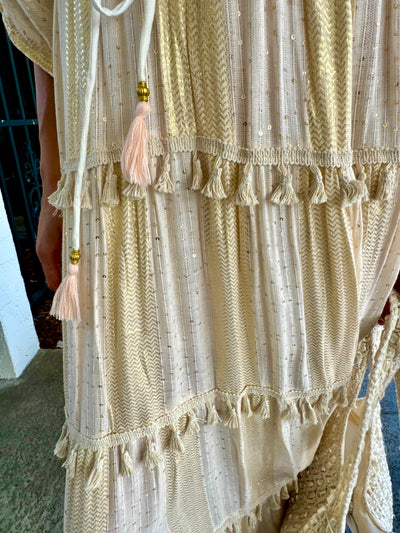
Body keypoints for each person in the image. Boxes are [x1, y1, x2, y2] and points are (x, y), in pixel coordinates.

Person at [1, 1, 400, 532]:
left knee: (306, 405)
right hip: (127, 123)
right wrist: (53, 172)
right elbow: (42, 17)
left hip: (315, 111)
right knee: (142, 437)